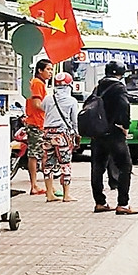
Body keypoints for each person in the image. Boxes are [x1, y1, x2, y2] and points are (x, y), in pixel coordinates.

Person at [90, 60, 138, 215]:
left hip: (98, 133)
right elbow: (124, 106)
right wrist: (124, 126)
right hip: (114, 132)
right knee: (125, 166)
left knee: (98, 167)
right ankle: (123, 204)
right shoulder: (119, 87)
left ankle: (100, 202)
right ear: (121, 73)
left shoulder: (98, 87)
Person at [41, 72, 79, 202]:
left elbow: (42, 109)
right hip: (63, 134)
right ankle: (66, 195)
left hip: (47, 134)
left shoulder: (47, 99)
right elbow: (74, 121)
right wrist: (76, 134)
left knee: (48, 164)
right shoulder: (71, 101)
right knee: (65, 164)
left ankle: (49, 194)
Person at [25, 59, 54, 196]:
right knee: (35, 155)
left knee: (42, 155)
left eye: (51, 69)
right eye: (48, 69)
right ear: (40, 71)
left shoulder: (39, 83)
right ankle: (34, 185)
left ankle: (43, 184)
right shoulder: (37, 83)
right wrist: (50, 108)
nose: (51, 72)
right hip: (35, 122)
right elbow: (37, 104)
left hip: (40, 122)